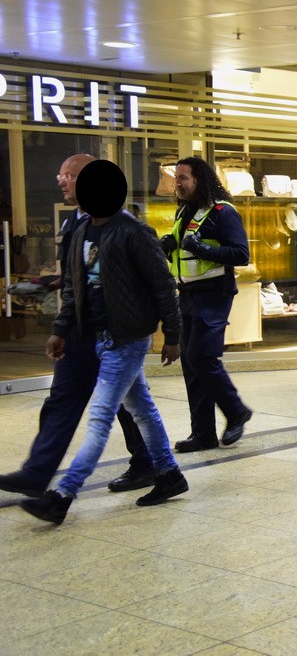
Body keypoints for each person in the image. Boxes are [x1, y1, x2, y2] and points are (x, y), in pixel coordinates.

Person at [19, 159, 187, 525]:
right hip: (98, 336)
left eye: (74, 179)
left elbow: (163, 286)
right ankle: (170, 475)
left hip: (126, 340)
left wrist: (172, 336)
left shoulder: (133, 232)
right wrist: (60, 329)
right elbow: (72, 287)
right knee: (142, 409)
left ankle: (62, 496)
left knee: (99, 419)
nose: (67, 185)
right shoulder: (81, 232)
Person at [0, 153, 156, 500]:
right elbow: (76, 279)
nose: (60, 180)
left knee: (124, 406)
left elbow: (151, 282)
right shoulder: (74, 224)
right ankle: (36, 473)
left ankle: (149, 464)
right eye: (60, 174)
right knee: (64, 400)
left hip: (115, 334)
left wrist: (167, 333)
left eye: (68, 175)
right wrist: (58, 319)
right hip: (81, 331)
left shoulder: (126, 225)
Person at [161, 157, 253, 452]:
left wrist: (202, 249)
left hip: (214, 296)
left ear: (199, 179)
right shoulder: (185, 212)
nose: (178, 183)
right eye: (176, 178)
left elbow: (241, 254)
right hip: (187, 295)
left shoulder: (222, 212)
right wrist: (168, 246)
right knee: (191, 362)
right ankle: (202, 433)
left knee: (202, 357)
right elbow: (183, 254)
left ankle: (236, 410)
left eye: (183, 178)